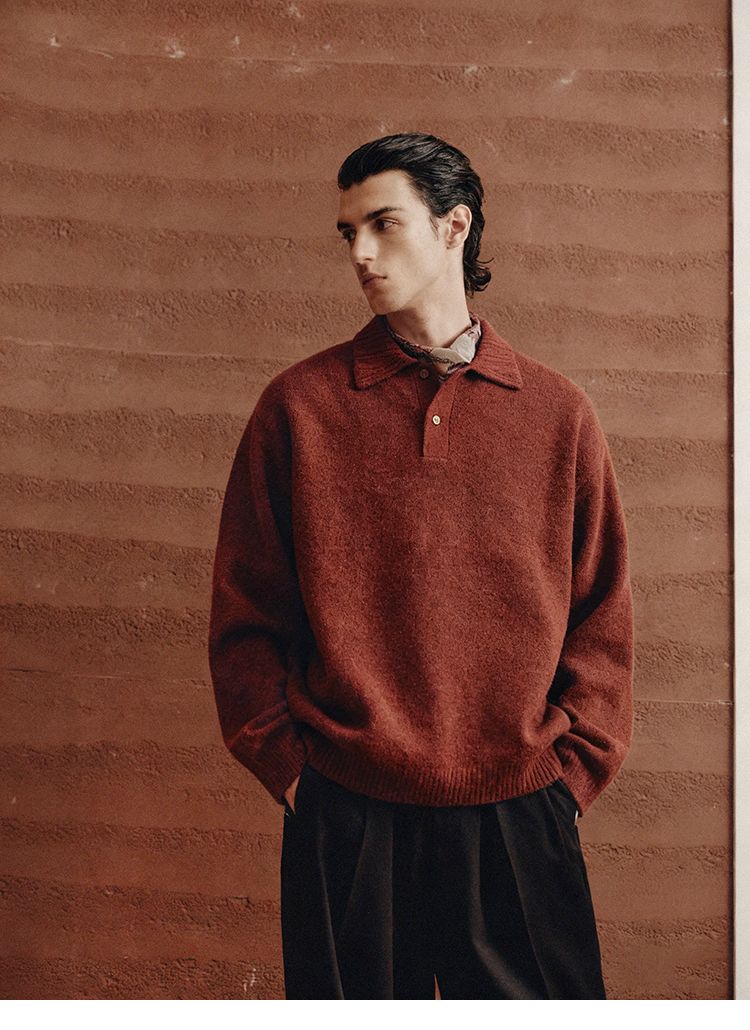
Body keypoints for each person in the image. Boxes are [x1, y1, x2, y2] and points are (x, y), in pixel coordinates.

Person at [208, 131, 634, 1000]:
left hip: (519, 809)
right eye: (348, 232)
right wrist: (294, 772)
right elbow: (246, 615)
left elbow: (602, 613)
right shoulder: (298, 409)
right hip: (347, 810)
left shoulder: (558, 415)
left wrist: (567, 780)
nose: (360, 253)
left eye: (383, 224)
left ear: (454, 227)